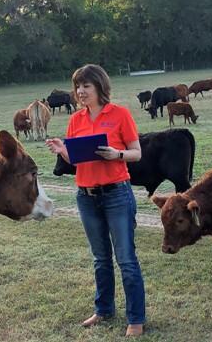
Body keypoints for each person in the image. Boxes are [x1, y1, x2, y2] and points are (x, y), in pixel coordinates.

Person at [46, 64, 145, 337]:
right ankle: (104, 310)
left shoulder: (120, 114)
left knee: (125, 259)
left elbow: (136, 152)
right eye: (77, 86)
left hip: (117, 194)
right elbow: (78, 159)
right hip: (86, 197)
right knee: (100, 258)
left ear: (100, 87)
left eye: (86, 86)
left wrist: (117, 155)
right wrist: (63, 151)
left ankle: (136, 319)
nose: (80, 91)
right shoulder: (76, 120)